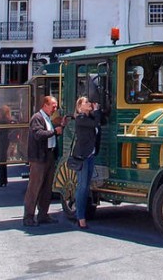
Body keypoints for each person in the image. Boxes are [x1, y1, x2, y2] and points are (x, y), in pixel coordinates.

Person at [23, 96, 63, 227]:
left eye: (56, 106)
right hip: (39, 158)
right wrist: (54, 132)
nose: (55, 108)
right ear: (45, 105)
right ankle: (28, 216)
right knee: (34, 187)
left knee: (47, 187)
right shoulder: (37, 118)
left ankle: (43, 214)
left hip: (49, 155)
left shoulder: (47, 118)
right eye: (53, 105)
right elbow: (38, 134)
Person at [71, 96, 102, 229]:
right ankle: (80, 217)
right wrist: (96, 110)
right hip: (82, 156)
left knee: (86, 186)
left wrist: (97, 111)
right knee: (82, 187)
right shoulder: (80, 119)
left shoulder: (89, 118)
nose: (89, 104)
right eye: (86, 102)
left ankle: (81, 214)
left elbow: (99, 122)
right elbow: (95, 124)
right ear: (79, 107)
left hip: (90, 155)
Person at [0, 105, 12, 187]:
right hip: (5, 141)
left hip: (0, 142)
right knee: (3, 161)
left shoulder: (0, 121)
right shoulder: (8, 120)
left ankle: (2, 180)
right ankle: (4, 180)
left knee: (1, 161)